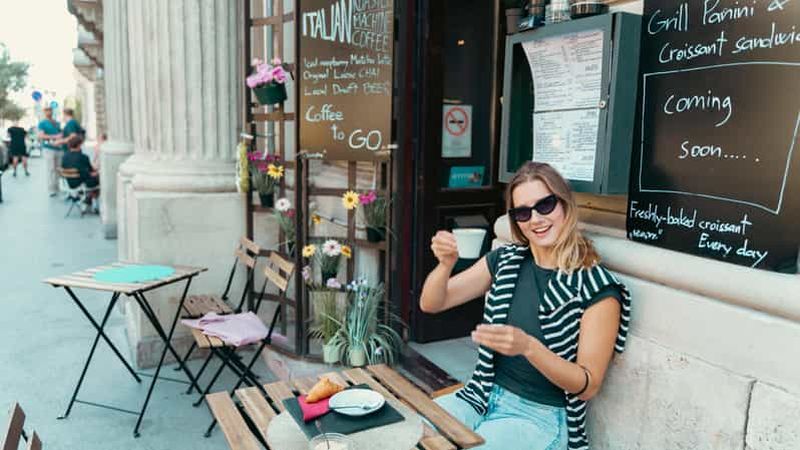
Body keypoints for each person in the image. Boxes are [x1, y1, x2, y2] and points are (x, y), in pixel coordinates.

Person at [420, 162, 631, 450]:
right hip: (480, 395)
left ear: (565, 205)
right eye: (523, 212)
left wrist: (529, 347)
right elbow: (432, 303)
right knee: (412, 432)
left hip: (539, 417)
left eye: (545, 205)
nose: (535, 219)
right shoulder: (507, 260)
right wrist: (445, 265)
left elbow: (588, 385)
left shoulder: (597, 287)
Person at [61, 135, 99, 213]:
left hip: (69, 183)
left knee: (91, 180)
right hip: (80, 183)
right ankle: (91, 202)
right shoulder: (83, 157)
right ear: (78, 145)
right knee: (98, 180)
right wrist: (99, 172)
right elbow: (90, 172)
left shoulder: (64, 156)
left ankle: (88, 200)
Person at [37, 106, 63, 197]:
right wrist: (54, 136)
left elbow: (60, 133)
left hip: (59, 148)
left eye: (50, 110)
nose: (49, 112)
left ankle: (57, 188)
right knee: (51, 169)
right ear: (44, 112)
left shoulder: (57, 123)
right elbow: (41, 136)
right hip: (48, 148)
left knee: (58, 169)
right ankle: (51, 189)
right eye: (47, 111)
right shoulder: (42, 123)